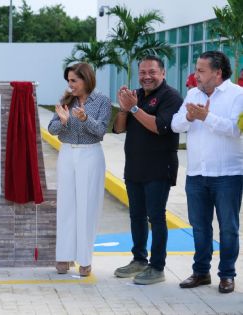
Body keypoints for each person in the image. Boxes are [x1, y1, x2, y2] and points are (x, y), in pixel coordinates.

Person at [172, 51, 243, 294]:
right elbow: (175, 124)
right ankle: (201, 272)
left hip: (228, 175)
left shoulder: (238, 95)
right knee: (200, 226)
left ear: (218, 73)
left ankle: (227, 275)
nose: (195, 75)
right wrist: (190, 117)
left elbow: (236, 129)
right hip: (196, 174)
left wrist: (206, 116)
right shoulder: (193, 94)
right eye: (196, 69)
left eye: (201, 70)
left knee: (229, 227)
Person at [112, 55, 183, 285]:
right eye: (142, 72)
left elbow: (159, 126)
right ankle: (139, 259)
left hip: (159, 167)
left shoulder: (171, 97)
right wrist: (124, 109)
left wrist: (132, 107)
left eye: (152, 72)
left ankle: (157, 266)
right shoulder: (137, 95)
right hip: (135, 166)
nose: (146, 77)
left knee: (156, 217)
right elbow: (119, 129)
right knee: (136, 216)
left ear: (163, 73)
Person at [48, 62, 111, 277]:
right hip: (67, 153)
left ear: (86, 79)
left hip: (90, 154)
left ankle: (85, 259)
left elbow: (101, 131)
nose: (70, 84)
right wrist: (64, 122)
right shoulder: (65, 100)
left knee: (87, 206)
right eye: (68, 81)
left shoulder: (102, 101)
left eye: (74, 80)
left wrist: (85, 119)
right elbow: (52, 128)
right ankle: (64, 256)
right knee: (66, 205)